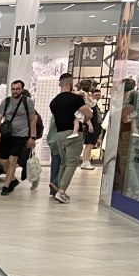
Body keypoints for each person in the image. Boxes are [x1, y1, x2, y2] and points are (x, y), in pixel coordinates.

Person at [48, 73, 90, 203]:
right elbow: (87, 113)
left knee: (63, 164)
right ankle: (61, 191)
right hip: (73, 134)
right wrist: (84, 120)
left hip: (59, 135)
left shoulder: (53, 102)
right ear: (70, 83)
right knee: (72, 164)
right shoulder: (75, 99)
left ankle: (60, 191)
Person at [0, 79, 38, 195]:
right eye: (13, 89)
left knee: (13, 160)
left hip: (21, 135)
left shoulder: (27, 102)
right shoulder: (6, 102)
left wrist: (32, 137)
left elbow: (33, 120)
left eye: (18, 89)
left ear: (22, 89)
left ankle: (6, 186)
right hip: (7, 135)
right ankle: (12, 180)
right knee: (3, 160)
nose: (15, 91)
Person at [80, 86, 104, 169]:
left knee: (90, 144)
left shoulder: (96, 105)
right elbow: (87, 115)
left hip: (96, 127)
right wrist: (90, 125)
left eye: (99, 95)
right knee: (89, 145)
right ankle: (86, 161)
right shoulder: (90, 104)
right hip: (91, 127)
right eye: (96, 95)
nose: (98, 96)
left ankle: (85, 161)